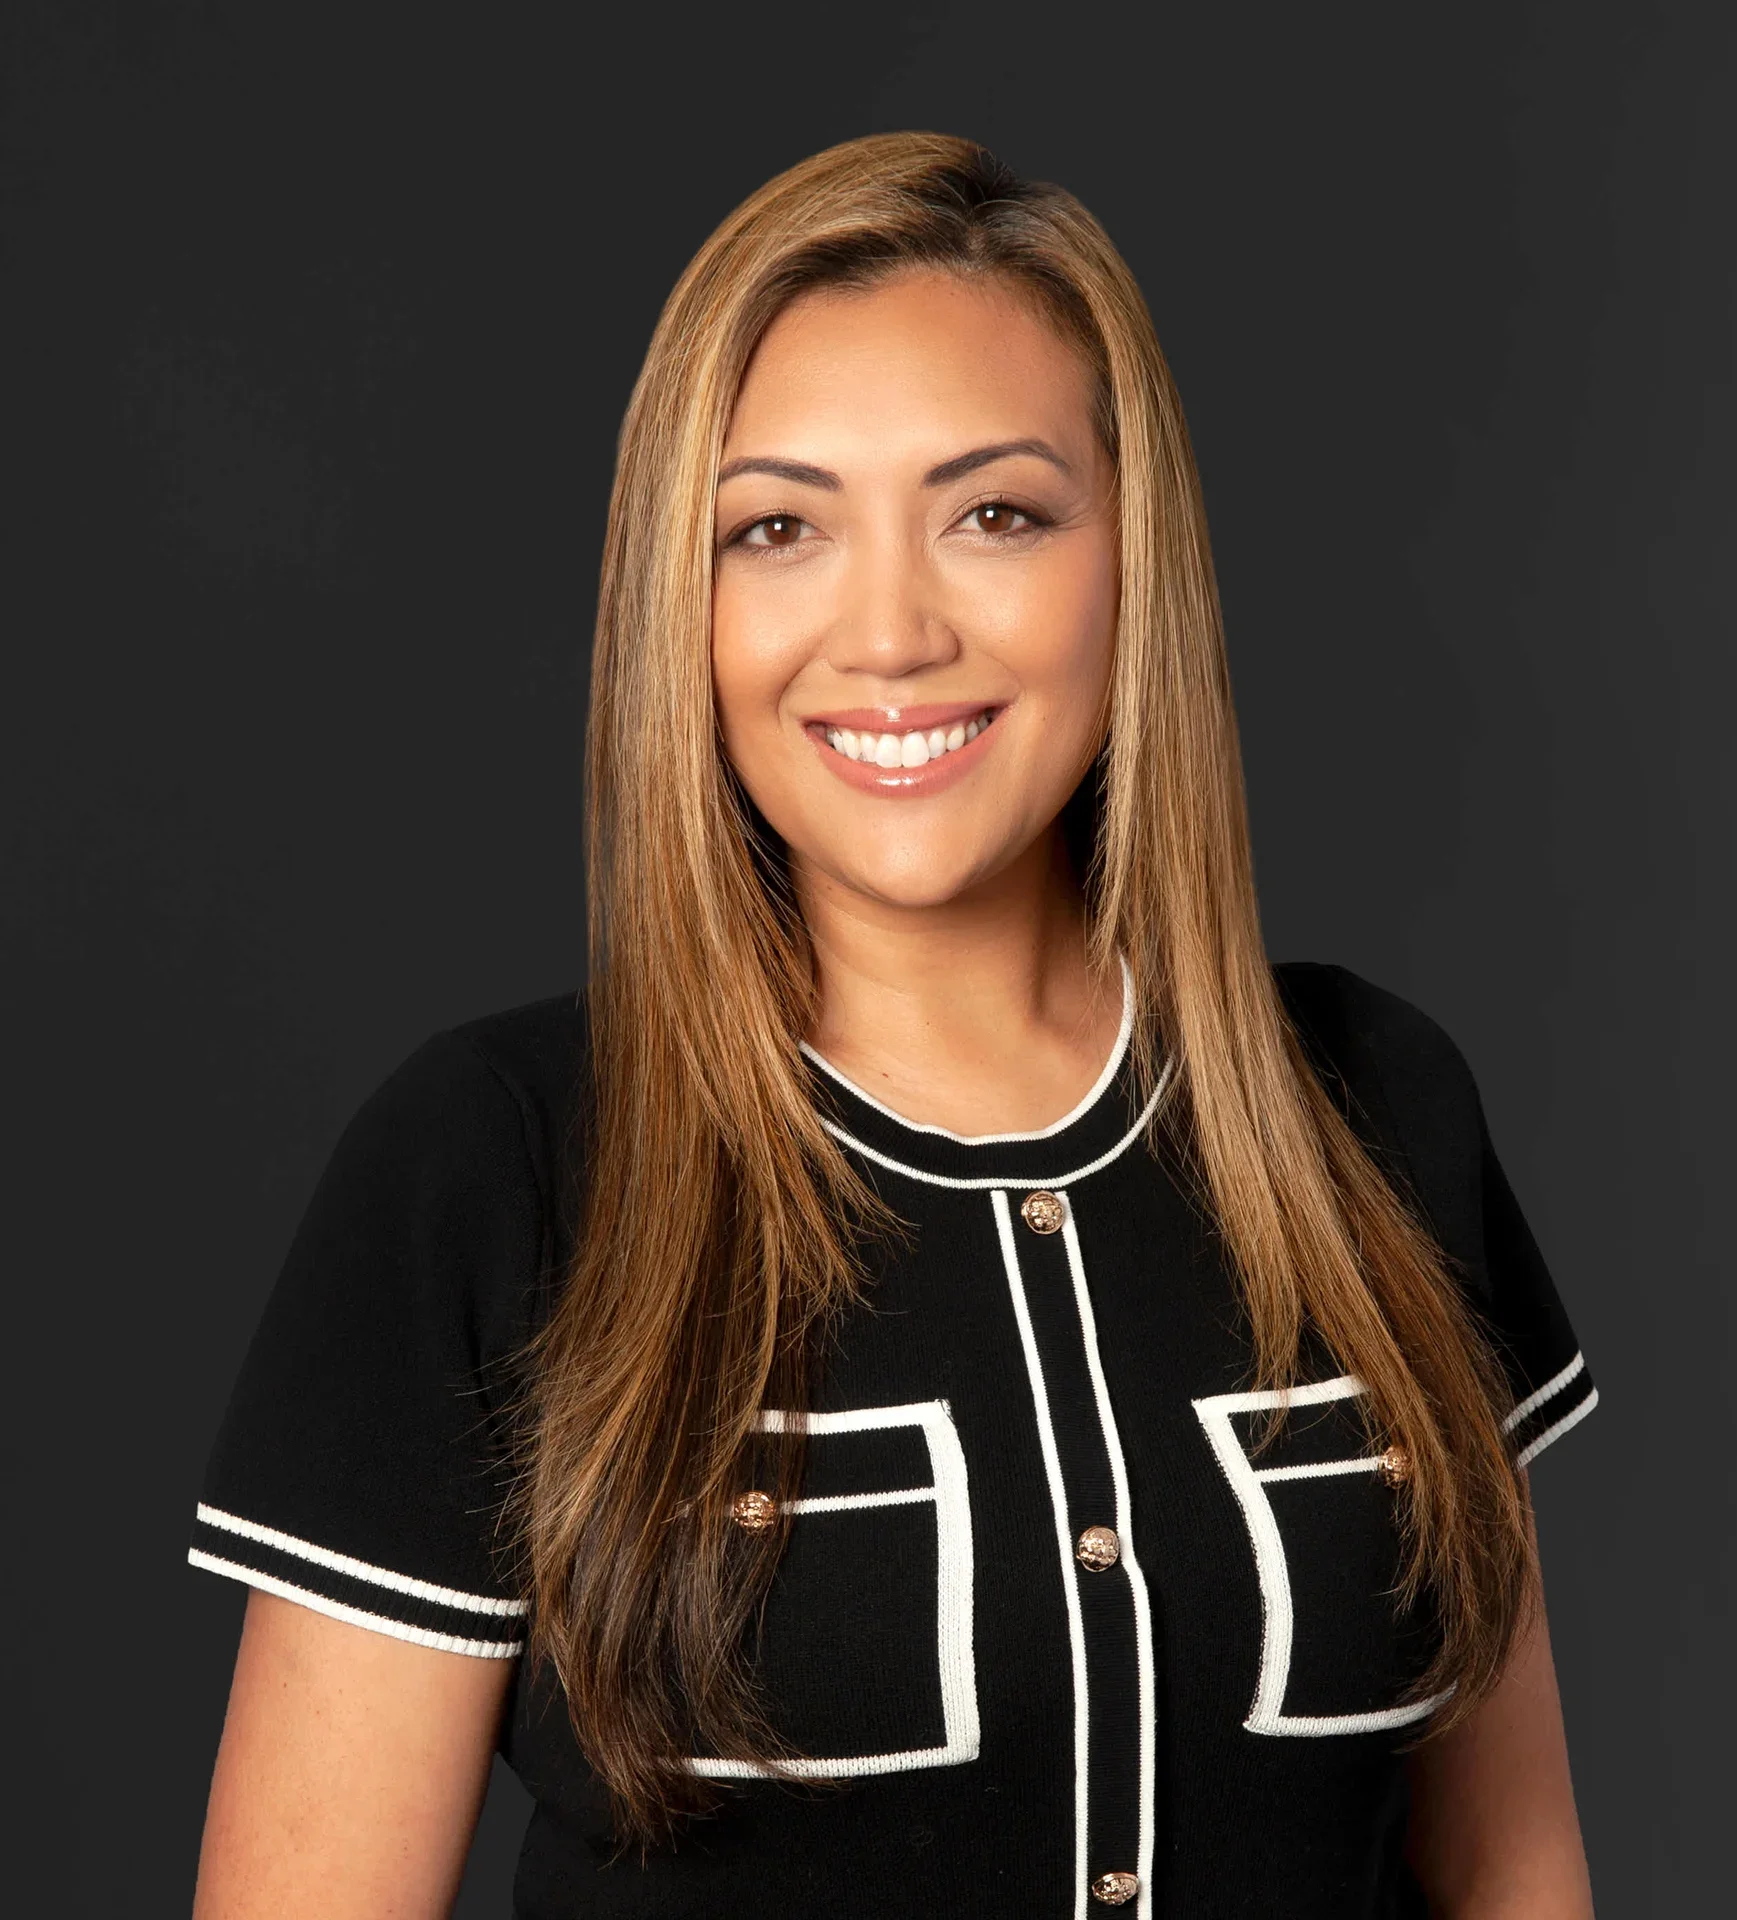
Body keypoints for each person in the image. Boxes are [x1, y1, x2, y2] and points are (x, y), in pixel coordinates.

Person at [189, 132, 1598, 1918]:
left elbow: (1514, 1873)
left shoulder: (1384, 1113)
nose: (890, 632)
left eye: (995, 512)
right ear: (680, 613)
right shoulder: (497, 1167)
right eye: (777, 529)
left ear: (1129, 557)